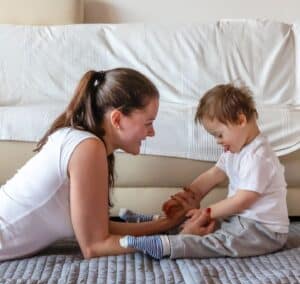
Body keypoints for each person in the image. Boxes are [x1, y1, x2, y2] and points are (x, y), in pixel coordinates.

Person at [0, 68, 188, 261]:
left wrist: (167, 224)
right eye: (148, 123)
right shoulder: (87, 147)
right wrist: (179, 241)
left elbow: (100, 227)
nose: (152, 132)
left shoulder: (82, 141)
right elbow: (95, 246)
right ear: (116, 119)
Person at [119, 83, 290, 259]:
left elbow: (242, 201)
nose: (218, 141)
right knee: (203, 223)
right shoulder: (235, 150)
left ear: (240, 120)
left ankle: (167, 246)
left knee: (221, 241)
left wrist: (206, 211)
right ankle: (156, 224)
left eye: (219, 134)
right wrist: (191, 194)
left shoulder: (259, 156)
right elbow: (214, 174)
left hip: (264, 230)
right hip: (238, 220)